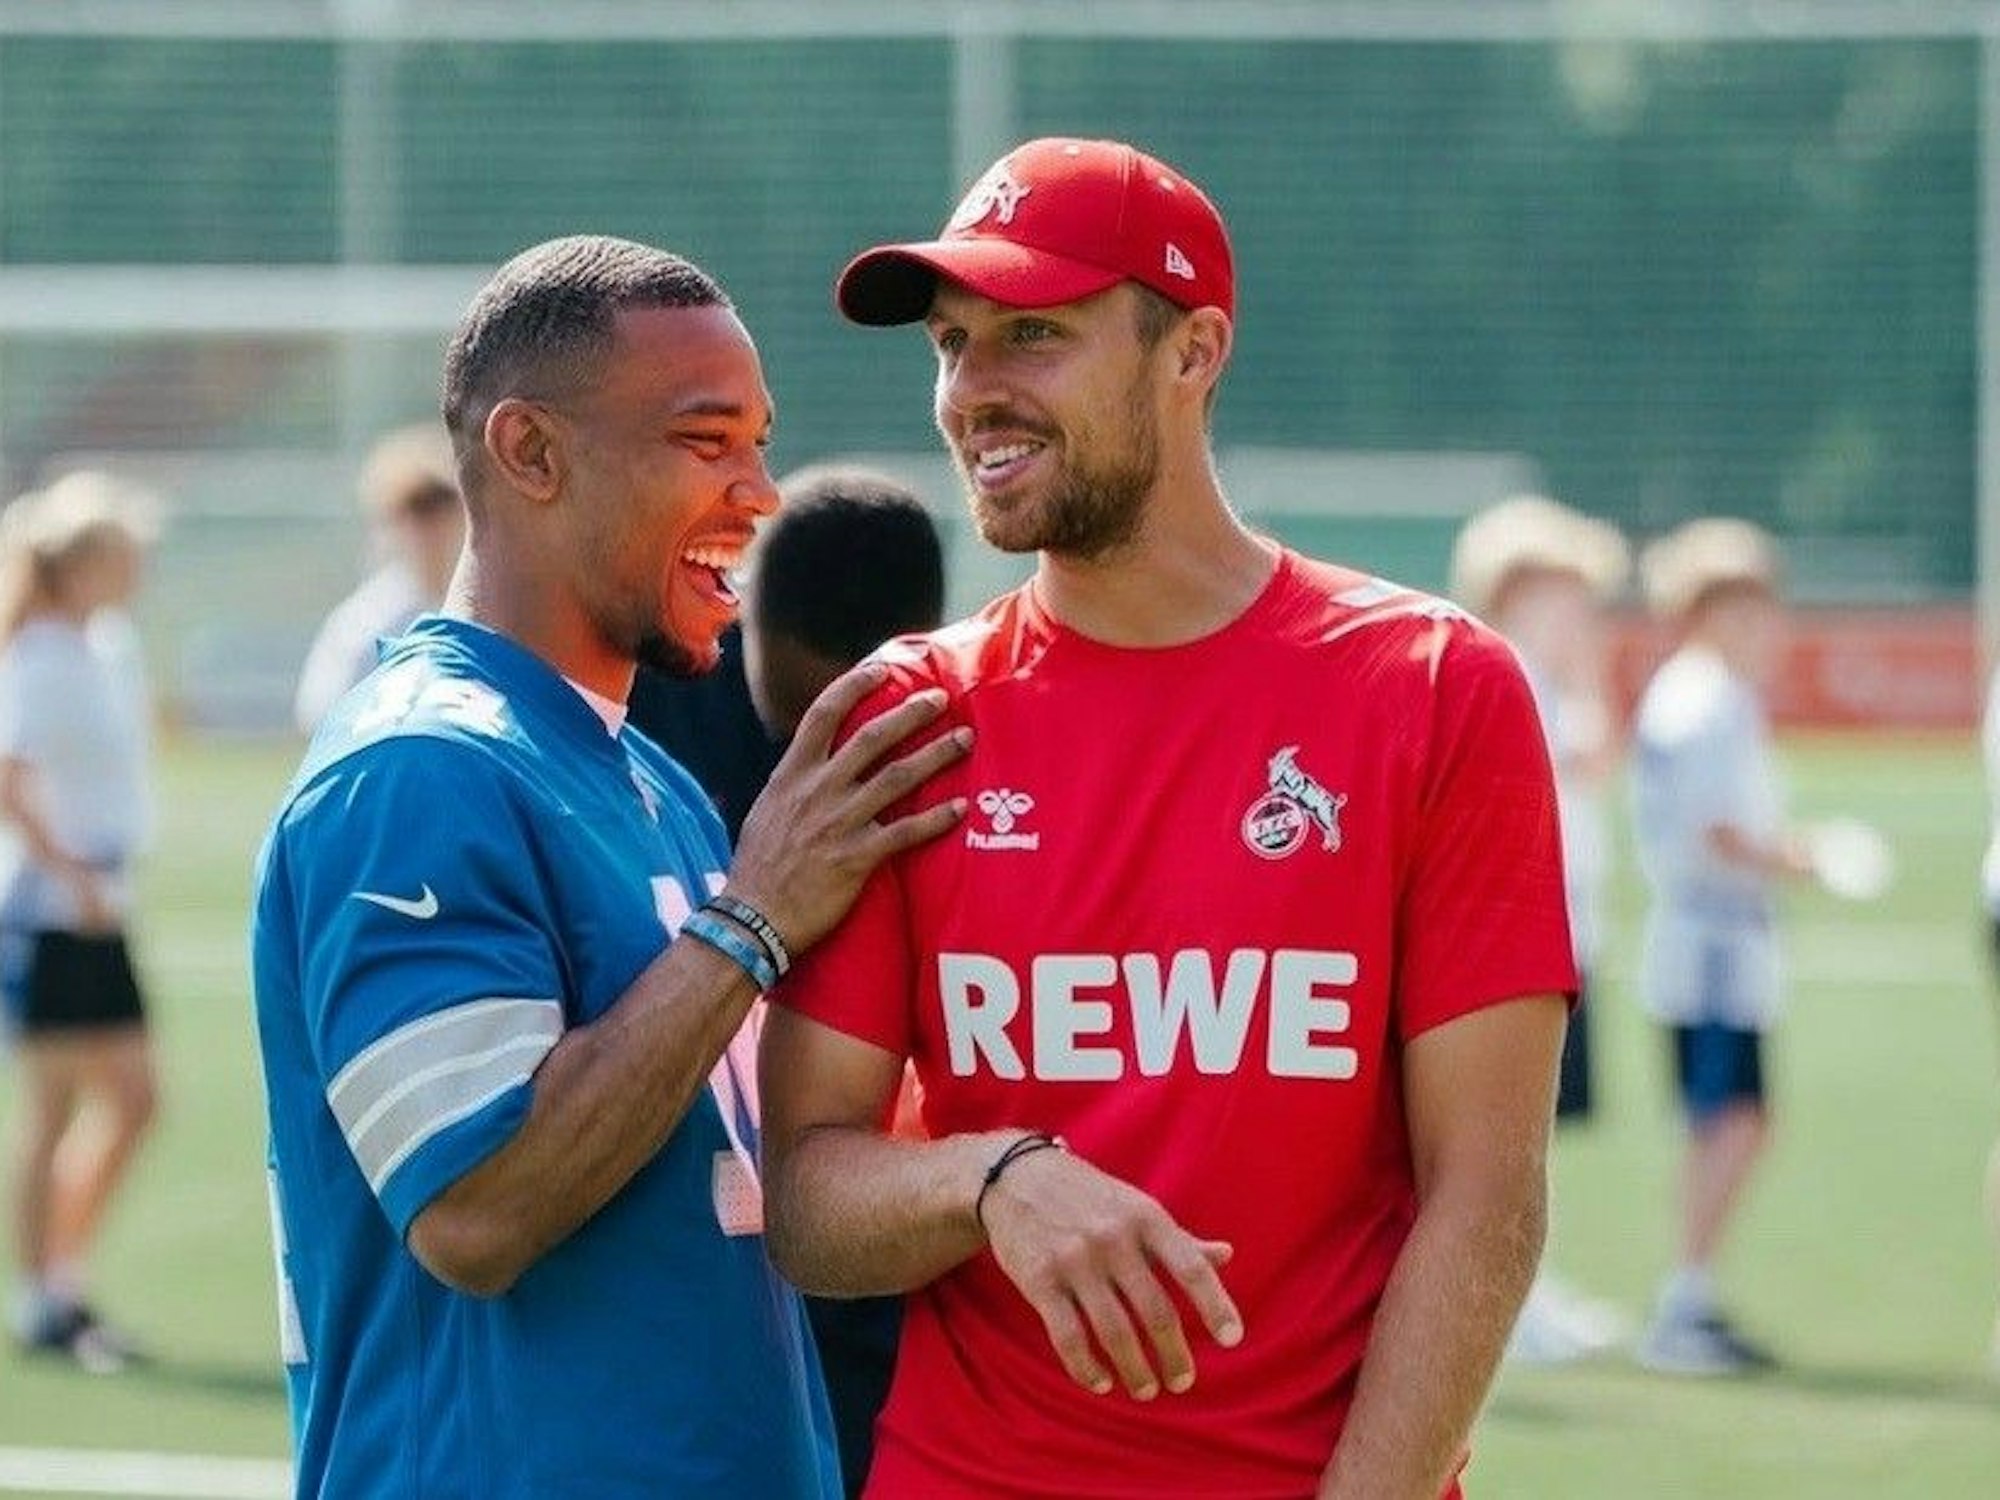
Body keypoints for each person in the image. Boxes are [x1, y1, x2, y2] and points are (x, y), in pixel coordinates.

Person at [758, 137, 1575, 1500]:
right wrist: (991, 1179)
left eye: (1034, 335)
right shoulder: (901, 717)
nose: (974, 392)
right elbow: (806, 1201)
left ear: (1193, 352)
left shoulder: (1434, 689)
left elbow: (1485, 1197)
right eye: (954, 345)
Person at [250, 235, 970, 1499]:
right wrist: (753, 920)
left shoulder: (651, 782)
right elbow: (476, 1208)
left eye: (759, 441)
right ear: (529, 451)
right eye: (706, 442)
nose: (760, 493)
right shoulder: (415, 768)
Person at [629, 463, 945, 1497]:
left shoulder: (959, 726)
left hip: (872, 1191)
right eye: (810, 712)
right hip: (707, 1183)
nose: (826, 740)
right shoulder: (664, 697)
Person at [1628, 517, 1814, 1377]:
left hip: (1716, 936)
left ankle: (1691, 1293)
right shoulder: (1705, 698)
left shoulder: (1702, 692)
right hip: (1709, 939)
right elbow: (1717, 830)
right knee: (1730, 1122)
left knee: (1735, 1120)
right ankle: (1684, 1299)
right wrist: (1803, 859)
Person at [1450, 493, 1632, 1365]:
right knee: (1508, 1135)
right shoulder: (1505, 673)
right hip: (1527, 937)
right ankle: (1506, 1303)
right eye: (1566, 593)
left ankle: (1532, 1290)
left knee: (1537, 1134)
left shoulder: (1544, 678)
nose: (1582, 614)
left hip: (1563, 926)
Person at [0, 471, 161, 1374]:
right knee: (56, 1108)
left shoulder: (105, 644)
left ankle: (62, 1279)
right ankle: (44, 1297)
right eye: (124, 551)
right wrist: (72, 875)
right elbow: (8, 778)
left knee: (136, 1101)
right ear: (84, 560)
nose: (137, 567)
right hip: (54, 913)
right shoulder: (37, 655)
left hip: (102, 906)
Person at [630, 464, 946, 841]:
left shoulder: (960, 727)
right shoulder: (644, 695)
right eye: (798, 725)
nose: (816, 748)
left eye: (858, 729)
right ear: (741, 611)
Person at [292, 422, 465, 731]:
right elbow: (321, 717)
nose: (432, 528)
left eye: (442, 504)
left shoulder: (484, 607)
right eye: (418, 509)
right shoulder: (367, 625)